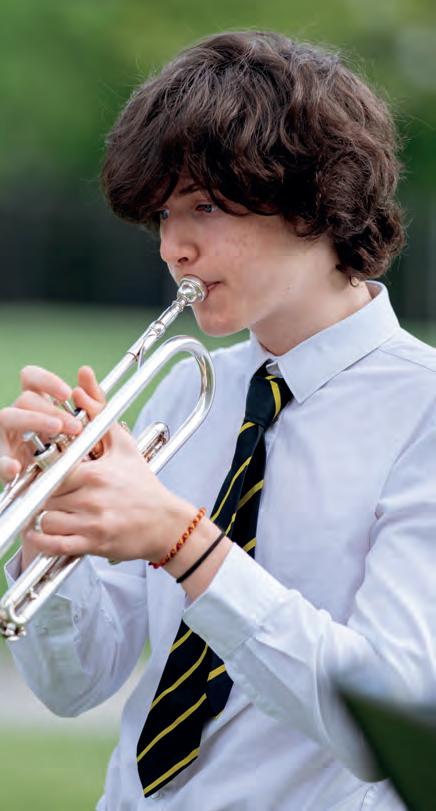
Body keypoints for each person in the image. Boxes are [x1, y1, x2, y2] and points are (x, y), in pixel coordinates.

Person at [1, 29, 435, 811]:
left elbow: (386, 725)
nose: (172, 247)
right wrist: (50, 528)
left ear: (315, 198)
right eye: (162, 215)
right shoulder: (188, 389)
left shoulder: (423, 411)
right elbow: (77, 684)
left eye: (204, 206)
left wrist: (183, 543)